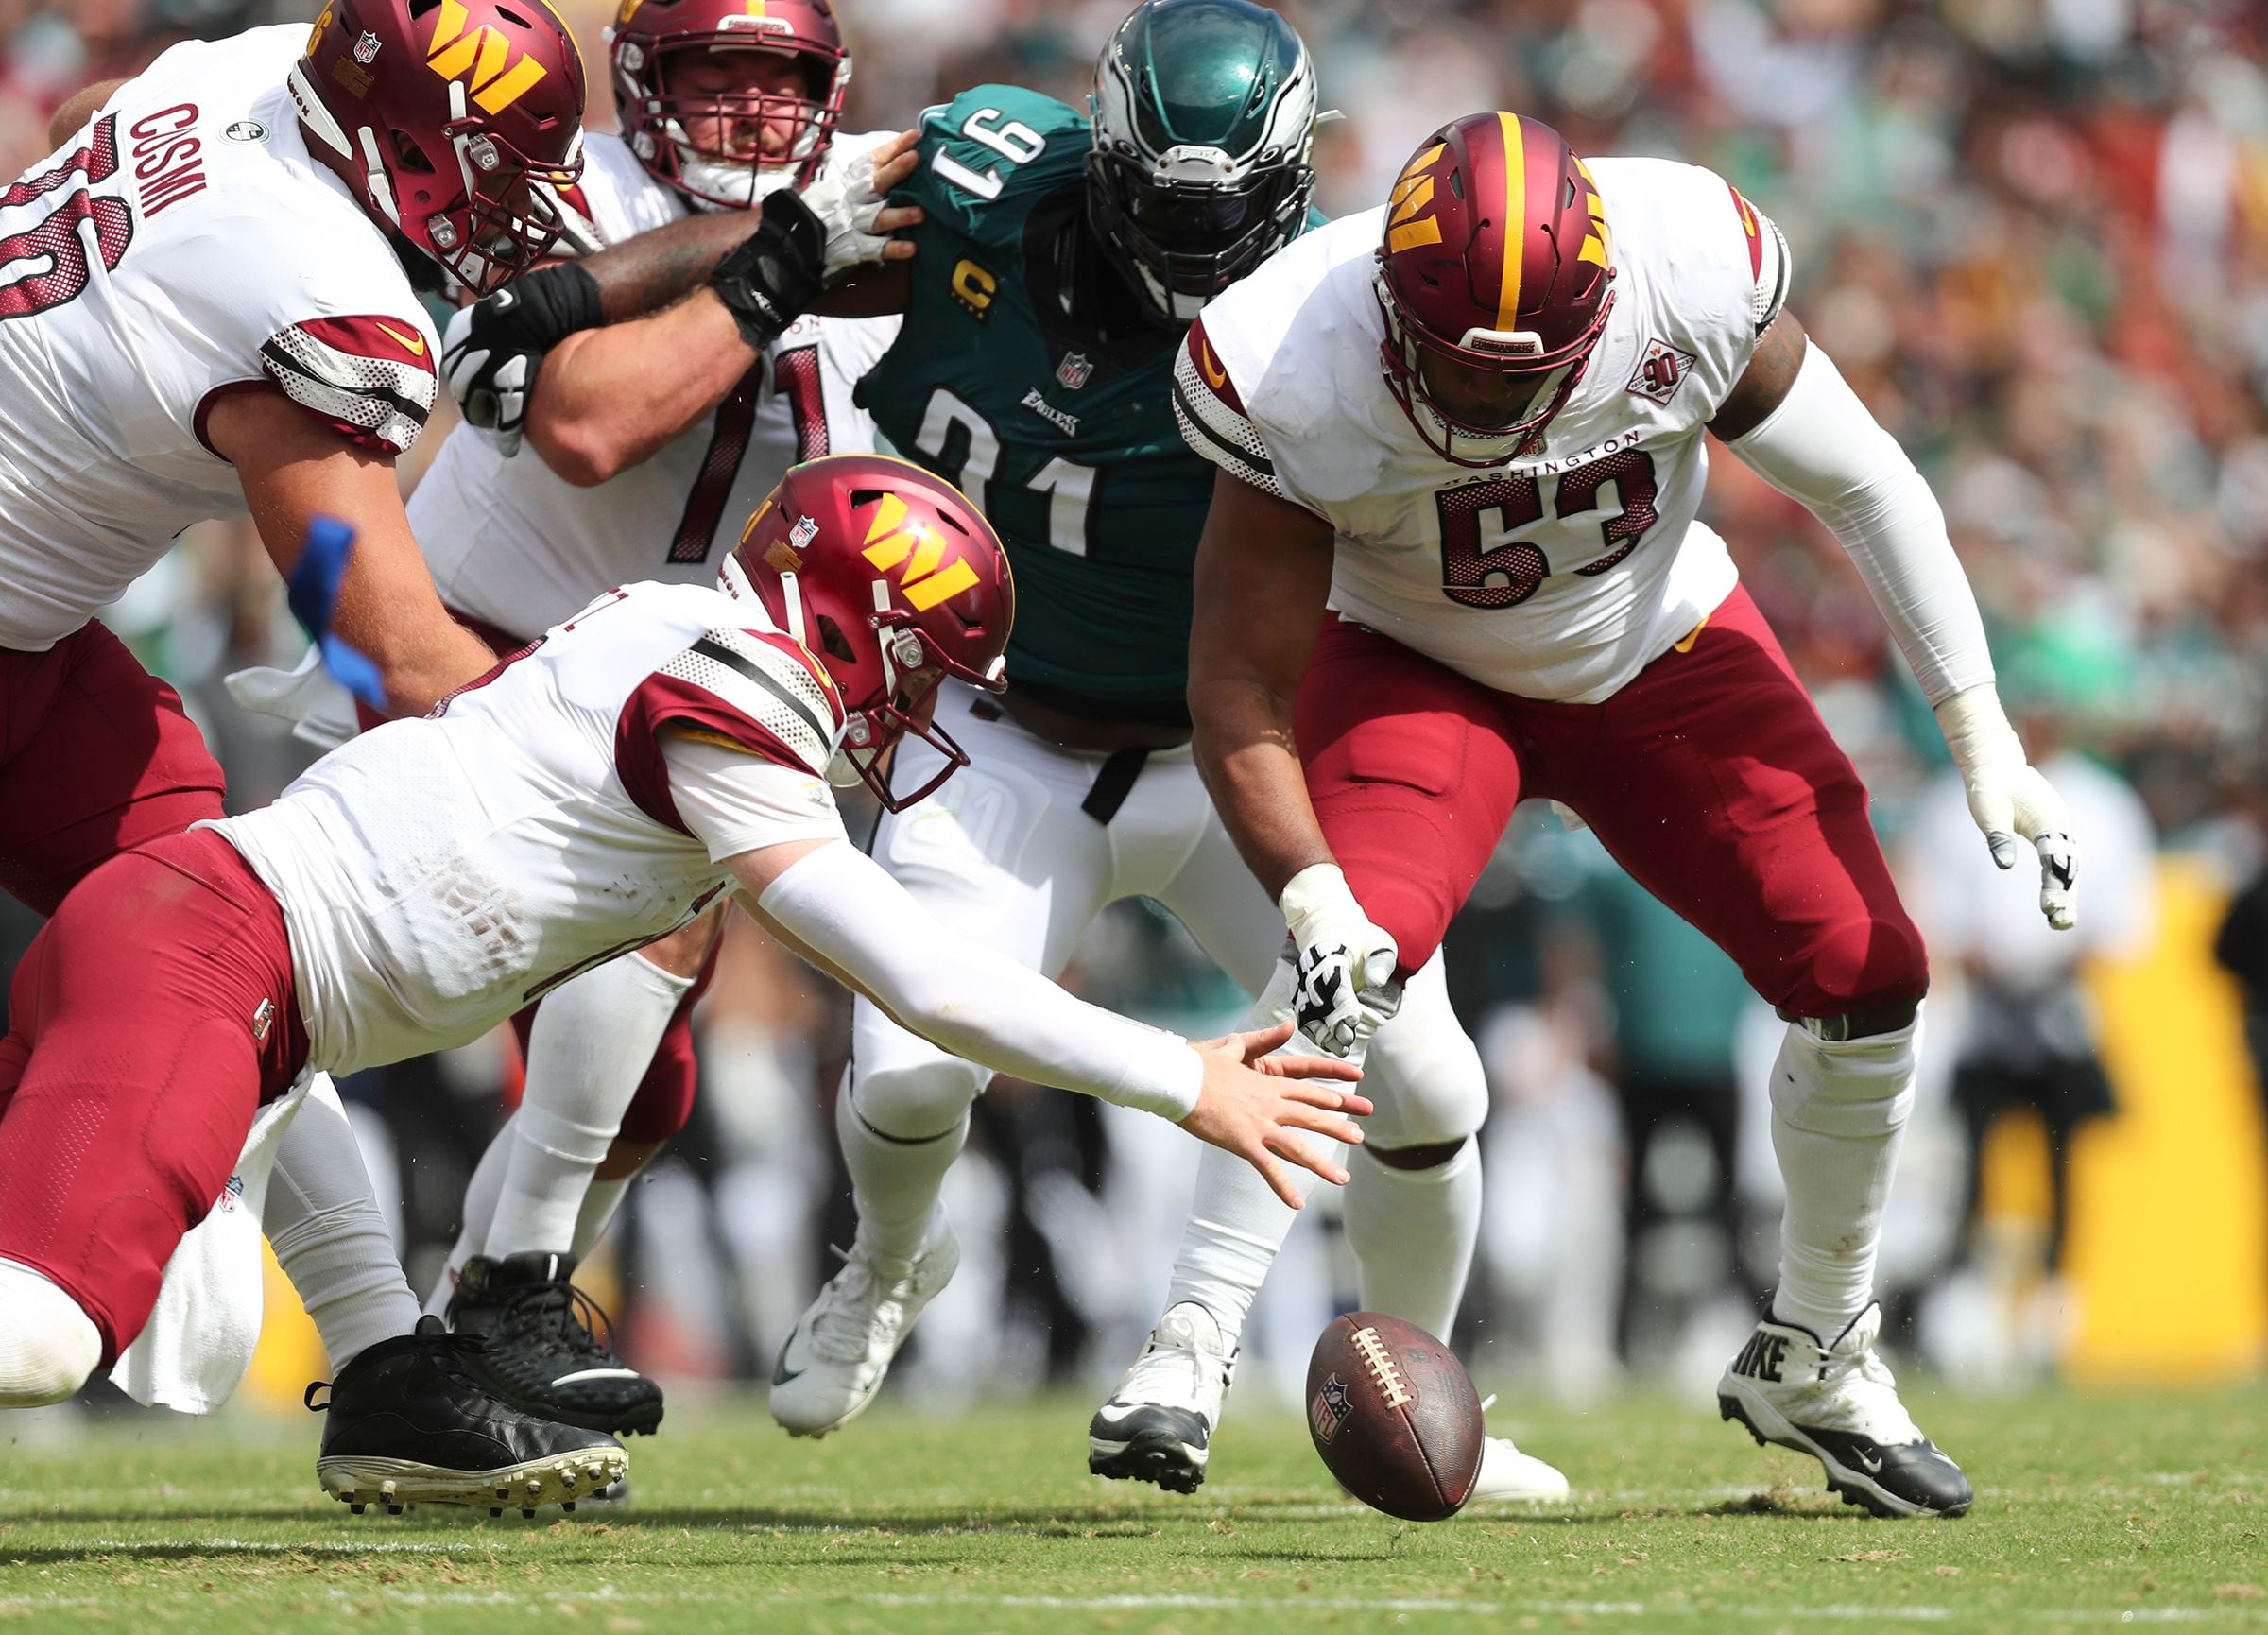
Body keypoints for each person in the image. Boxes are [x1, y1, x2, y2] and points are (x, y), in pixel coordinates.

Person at [435, 0, 1562, 1504]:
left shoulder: (1340, 314)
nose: (1193, 251)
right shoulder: (983, 178)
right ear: (1105, 159)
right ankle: (890, 1262)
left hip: (1231, 762)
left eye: (1222, 220)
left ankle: (1430, 1385)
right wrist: (574, 289)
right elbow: (786, 233)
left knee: (1428, 1081)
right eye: (1162, 211)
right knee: (908, 1076)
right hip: (1003, 731)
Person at [0, 454, 1368, 1506]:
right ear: (854, 630)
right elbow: (919, 977)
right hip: (213, 961)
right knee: (46, 1338)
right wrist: (1180, 1073)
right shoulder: (737, 698)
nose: (916, 713)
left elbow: (617, 954)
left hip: (237, 983)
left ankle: (390, 1389)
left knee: (218, 1274)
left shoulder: (664, 617)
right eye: (918, 672)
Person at [1158, 110, 2083, 1519]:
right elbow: (1234, 680)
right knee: (1354, 972)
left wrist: (1981, 729)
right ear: (1392, 311)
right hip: (1418, 664)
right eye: (1460, 370)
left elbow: (1867, 481)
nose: (1493, 407)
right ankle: (1195, 1342)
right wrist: (1307, 894)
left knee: (1869, 968)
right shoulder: (1294, 352)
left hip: (1653, 642)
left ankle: (1820, 1352)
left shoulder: (1689, 260)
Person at [0, 0, 614, 1506]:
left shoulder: (248, 72)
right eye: (489, 171)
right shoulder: (318, 286)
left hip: (25, 631)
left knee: (210, 926)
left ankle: (386, 1360)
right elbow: (382, 641)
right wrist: (626, 745)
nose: (513, 212)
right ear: (394, 141)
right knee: (223, 940)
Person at [353, 0, 910, 1442]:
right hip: (463, 643)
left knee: (647, 1097)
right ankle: (487, 1296)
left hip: (669, 688)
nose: (743, 116)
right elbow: (589, 423)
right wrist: (782, 260)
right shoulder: (563, 188)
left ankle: (463, 1337)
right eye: (709, 81)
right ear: (642, 88)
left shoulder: (895, 234)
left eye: (774, 83)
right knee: (359, 1005)